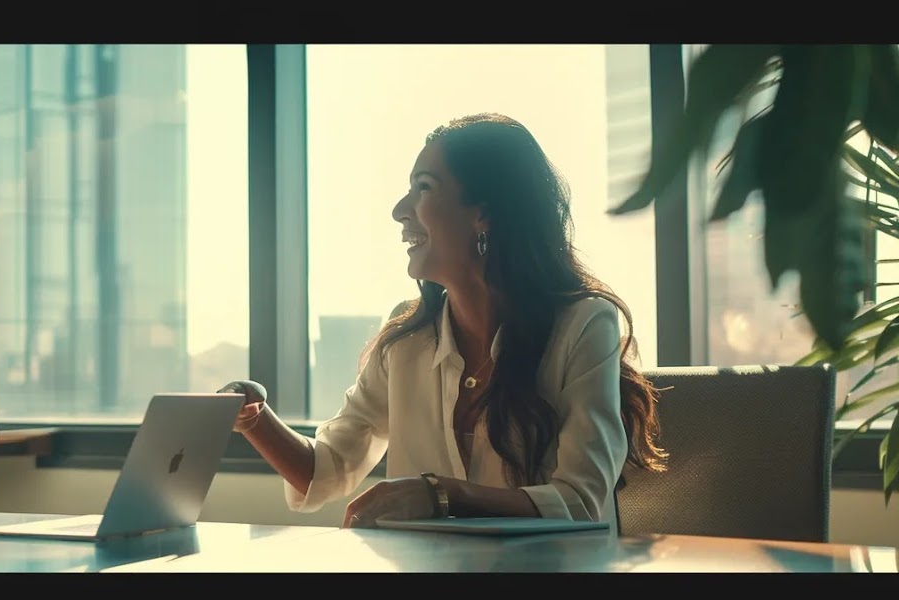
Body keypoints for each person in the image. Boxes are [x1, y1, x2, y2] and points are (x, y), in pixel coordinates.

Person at [221, 113, 666, 530]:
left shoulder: (584, 324)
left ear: (484, 213)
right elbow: (326, 470)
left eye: (424, 188)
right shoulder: (405, 338)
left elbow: (581, 502)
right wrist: (253, 418)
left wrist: (439, 496)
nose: (400, 209)